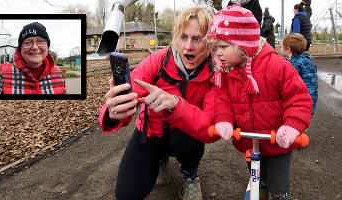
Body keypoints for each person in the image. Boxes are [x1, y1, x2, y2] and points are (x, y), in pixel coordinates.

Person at [99, 6, 220, 200]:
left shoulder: (217, 72)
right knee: (126, 195)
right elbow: (131, 93)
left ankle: (190, 176)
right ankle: (161, 159)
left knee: (190, 143)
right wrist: (113, 113)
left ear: (210, 42)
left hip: (184, 136)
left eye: (197, 39)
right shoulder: (158, 60)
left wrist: (175, 104)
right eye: (183, 37)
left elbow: (211, 128)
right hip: (150, 133)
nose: (188, 46)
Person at [207, 5, 313, 200]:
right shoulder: (227, 71)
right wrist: (224, 119)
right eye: (215, 48)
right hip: (250, 140)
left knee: (279, 186)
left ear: (244, 44)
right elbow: (223, 99)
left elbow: (298, 98)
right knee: (257, 180)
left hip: (278, 141)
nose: (218, 54)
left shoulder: (277, 65)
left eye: (223, 47)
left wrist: (292, 126)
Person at [0, 22, 66, 94]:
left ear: (47, 45)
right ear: (20, 48)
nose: (34, 47)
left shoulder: (58, 72)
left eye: (41, 41)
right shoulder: (3, 71)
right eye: (27, 42)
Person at [280, 33, 318, 117]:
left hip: (302, 104)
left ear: (288, 50)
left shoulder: (295, 64)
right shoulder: (305, 60)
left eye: (281, 47)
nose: (280, 49)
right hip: (308, 102)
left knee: (299, 124)